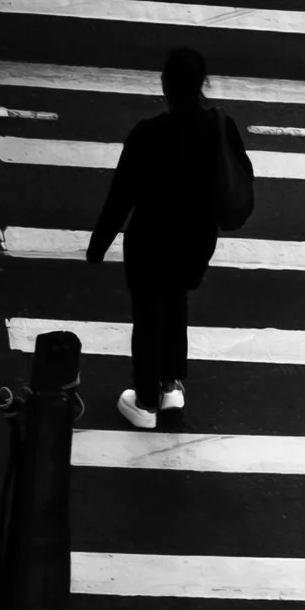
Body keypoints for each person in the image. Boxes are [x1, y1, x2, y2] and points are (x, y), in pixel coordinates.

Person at [87, 46, 252, 429]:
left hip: (150, 242)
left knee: (147, 317)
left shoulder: (147, 134)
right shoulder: (219, 127)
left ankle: (145, 402)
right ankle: (171, 385)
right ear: (202, 85)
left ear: (165, 84)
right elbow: (239, 175)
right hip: (195, 242)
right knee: (176, 303)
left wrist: (97, 247)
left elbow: (119, 199)